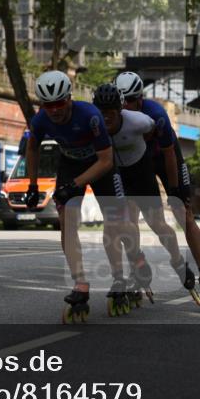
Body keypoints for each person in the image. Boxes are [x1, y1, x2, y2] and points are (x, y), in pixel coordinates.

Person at [25, 70, 132, 321]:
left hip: (100, 166)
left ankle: (119, 278)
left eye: (59, 103)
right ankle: (80, 284)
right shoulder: (40, 120)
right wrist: (32, 185)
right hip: (70, 164)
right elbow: (32, 149)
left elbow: (106, 161)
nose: (54, 110)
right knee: (67, 223)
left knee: (115, 223)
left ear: (69, 98)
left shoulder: (91, 116)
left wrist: (75, 185)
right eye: (47, 104)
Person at [115, 71, 200, 309]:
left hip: (164, 158)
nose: (128, 105)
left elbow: (170, 153)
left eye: (132, 100)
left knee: (185, 213)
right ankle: (137, 267)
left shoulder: (156, 115)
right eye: (123, 101)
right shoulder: (115, 116)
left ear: (140, 97)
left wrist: (174, 190)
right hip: (138, 163)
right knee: (129, 218)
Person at [91, 83, 183, 304]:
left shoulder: (139, 121)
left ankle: (178, 259)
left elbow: (159, 137)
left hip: (142, 172)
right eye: (102, 113)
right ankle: (126, 273)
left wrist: (172, 185)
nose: (106, 119)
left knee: (157, 224)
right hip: (116, 173)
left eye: (111, 114)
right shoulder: (92, 125)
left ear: (120, 110)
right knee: (114, 224)